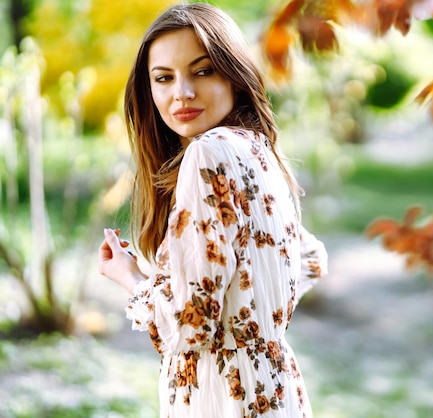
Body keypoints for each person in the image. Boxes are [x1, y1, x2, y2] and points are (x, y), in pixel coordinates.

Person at [97, 3, 328, 417]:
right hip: (276, 389)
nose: (181, 92)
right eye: (163, 78)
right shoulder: (259, 150)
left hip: (221, 398)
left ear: (235, 74)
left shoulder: (209, 153)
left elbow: (191, 323)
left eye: (202, 71)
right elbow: (310, 258)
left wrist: (130, 278)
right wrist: (256, 320)